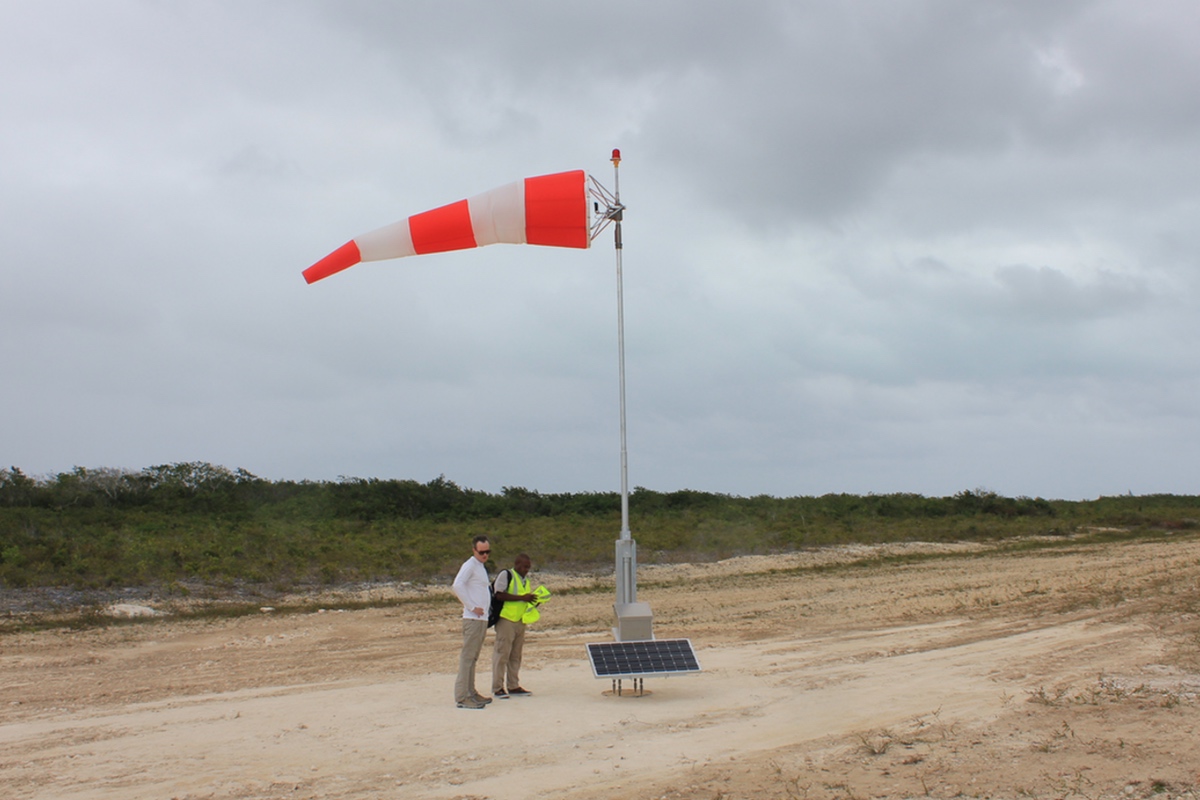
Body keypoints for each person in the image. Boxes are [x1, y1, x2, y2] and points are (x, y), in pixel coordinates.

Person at [451, 535, 493, 709]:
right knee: (467, 657)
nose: (485, 555)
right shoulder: (469, 565)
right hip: (472, 619)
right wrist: (471, 606)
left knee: (473, 657)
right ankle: (462, 697)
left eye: (487, 552)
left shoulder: (480, 567)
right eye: (481, 552)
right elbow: (457, 585)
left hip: (481, 619)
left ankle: (471, 692)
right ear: (474, 550)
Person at [491, 552, 537, 698]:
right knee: (502, 654)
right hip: (506, 620)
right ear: (517, 564)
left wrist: (532, 601)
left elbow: (523, 600)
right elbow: (499, 594)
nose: (526, 570)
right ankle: (497, 687)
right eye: (524, 567)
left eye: (528, 567)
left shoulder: (525, 580)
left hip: (520, 621)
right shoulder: (506, 575)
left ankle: (513, 685)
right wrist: (522, 598)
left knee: (515, 655)